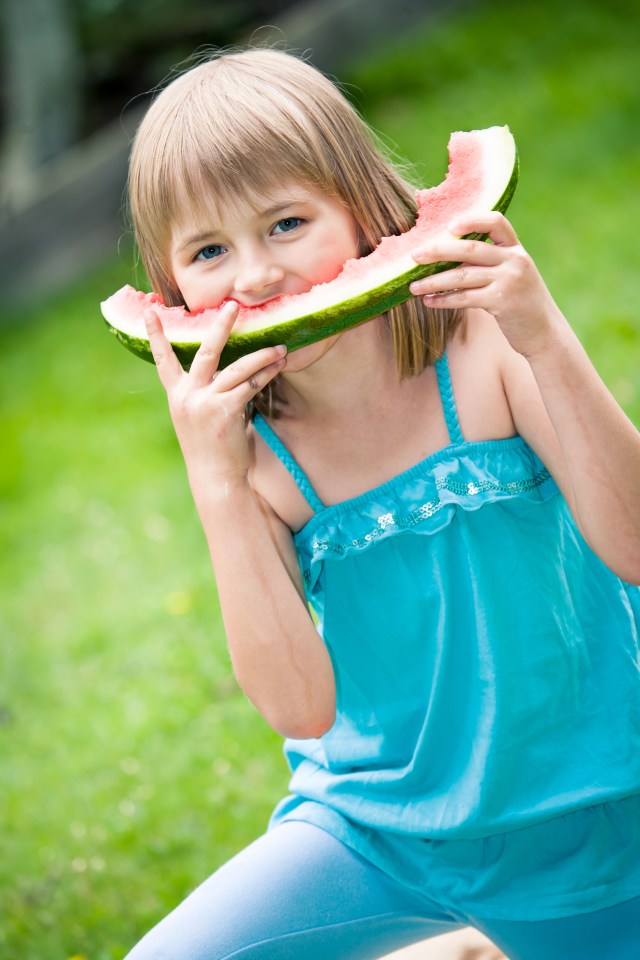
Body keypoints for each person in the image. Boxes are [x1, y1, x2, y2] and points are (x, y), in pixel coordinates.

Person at [122, 47, 640, 960]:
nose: (252, 277)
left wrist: (546, 339)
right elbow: (299, 709)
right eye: (209, 251)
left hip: (583, 813)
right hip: (376, 826)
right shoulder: (260, 463)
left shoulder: (483, 355)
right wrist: (219, 487)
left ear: (365, 210)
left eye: (286, 223)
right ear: (168, 295)